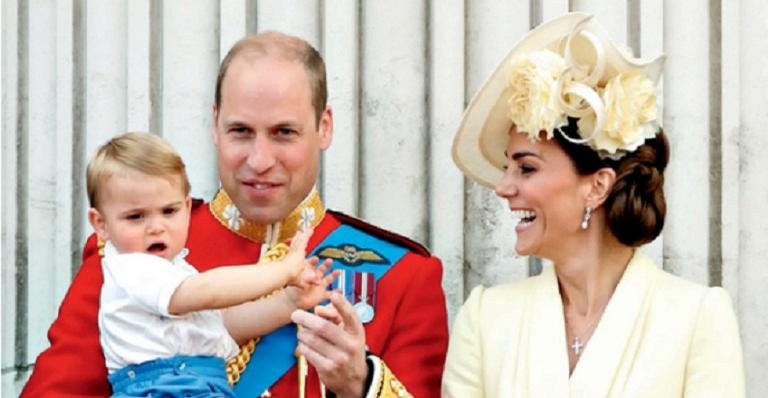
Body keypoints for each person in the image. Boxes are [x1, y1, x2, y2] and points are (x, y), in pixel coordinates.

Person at [22, 31, 448, 398]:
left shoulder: (403, 276)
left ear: (324, 127)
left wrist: (359, 382)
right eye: (241, 131)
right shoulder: (132, 247)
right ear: (214, 125)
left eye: (284, 132)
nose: (260, 160)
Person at [443, 13, 744, 397]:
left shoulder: (697, 318)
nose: (503, 188)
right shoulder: (486, 319)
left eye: (526, 168)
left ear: (597, 186)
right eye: (508, 168)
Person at [86, 132, 336, 397]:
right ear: (101, 224)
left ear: (186, 207)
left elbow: (224, 327)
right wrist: (284, 270)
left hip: (196, 383)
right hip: (164, 388)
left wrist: (289, 303)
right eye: (136, 217)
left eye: (169, 211)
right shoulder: (133, 268)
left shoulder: (175, 272)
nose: (156, 227)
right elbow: (208, 291)